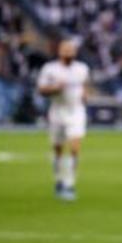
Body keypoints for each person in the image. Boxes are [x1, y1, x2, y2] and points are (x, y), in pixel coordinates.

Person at [36, 38, 90, 200]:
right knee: (58, 150)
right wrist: (55, 88)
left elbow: (84, 86)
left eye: (71, 50)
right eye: (65, 50)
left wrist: (85, 95)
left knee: (74, 147)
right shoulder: (50, 69)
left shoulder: (82, 68)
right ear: (59, 52)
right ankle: (59, 179)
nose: (68, 53)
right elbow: (41, 90)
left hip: (76, 111)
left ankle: (69, 183)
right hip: (57, 111)